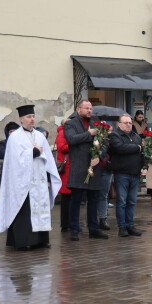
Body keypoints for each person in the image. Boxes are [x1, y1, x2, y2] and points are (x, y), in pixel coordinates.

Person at [0, 105, 61, 250]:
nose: (32, 119)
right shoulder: (15, 137)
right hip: (22, 182)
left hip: (40, 180)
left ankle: (41, 240)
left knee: (41, 209)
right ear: (21, 119)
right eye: (29, 117)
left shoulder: (40, 135)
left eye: (33, 117)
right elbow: (15, 160)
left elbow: (49, 158)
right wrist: (34, 152)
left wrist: (49, 178)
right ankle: (23, 241)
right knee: (24, 211)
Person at [64, 100, 107, 241]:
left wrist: (99, 157)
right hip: (79, 168)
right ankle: (74, 229)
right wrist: (89, 134)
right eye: (86, 108)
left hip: (94, 168)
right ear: (78, 109)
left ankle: (94, 229)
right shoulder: (71, 123)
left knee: (93, 201)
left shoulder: (95, 123)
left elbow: (105, 143)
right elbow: (71, 139)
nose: (89, 111)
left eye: (90, 108)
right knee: (75, 201)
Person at [108, 114, 145, 237]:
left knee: (132, 202)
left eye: (130, 123)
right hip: (121, 174)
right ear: (119, 124)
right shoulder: (114, 135)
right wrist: (137, 147)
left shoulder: (136, 136)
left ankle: (130, 225)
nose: (128, 125)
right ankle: (122, 227)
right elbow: (120, 148)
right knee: (122, 202)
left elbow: (142, 154)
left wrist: (144, 167)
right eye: (125, 123)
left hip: (135, 173)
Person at [55, 118, 71, 233]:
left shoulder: (68, 133)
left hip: (71, 169)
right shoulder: (62, 133)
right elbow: (62, 147)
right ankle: (65, 225)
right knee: (66, 199)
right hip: (66, 170)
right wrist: (74, 145)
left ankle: (70, 223)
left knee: (71, 199)